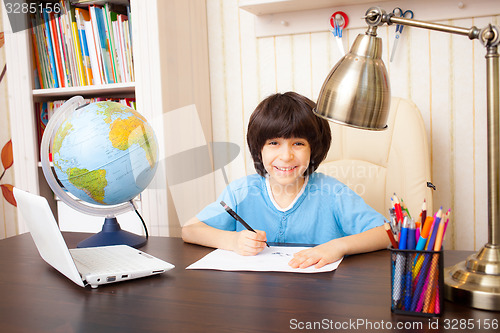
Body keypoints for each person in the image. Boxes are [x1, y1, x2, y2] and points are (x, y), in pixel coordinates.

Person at [182, 92, 389, 269]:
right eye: (274, 143)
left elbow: (388, 233)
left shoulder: (332, 193)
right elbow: (190, 230)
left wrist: (337, 246)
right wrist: (233, 240)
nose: (286, 156)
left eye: (298, 143)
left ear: (314, 149)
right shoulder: (240, 191)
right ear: (259, 149)